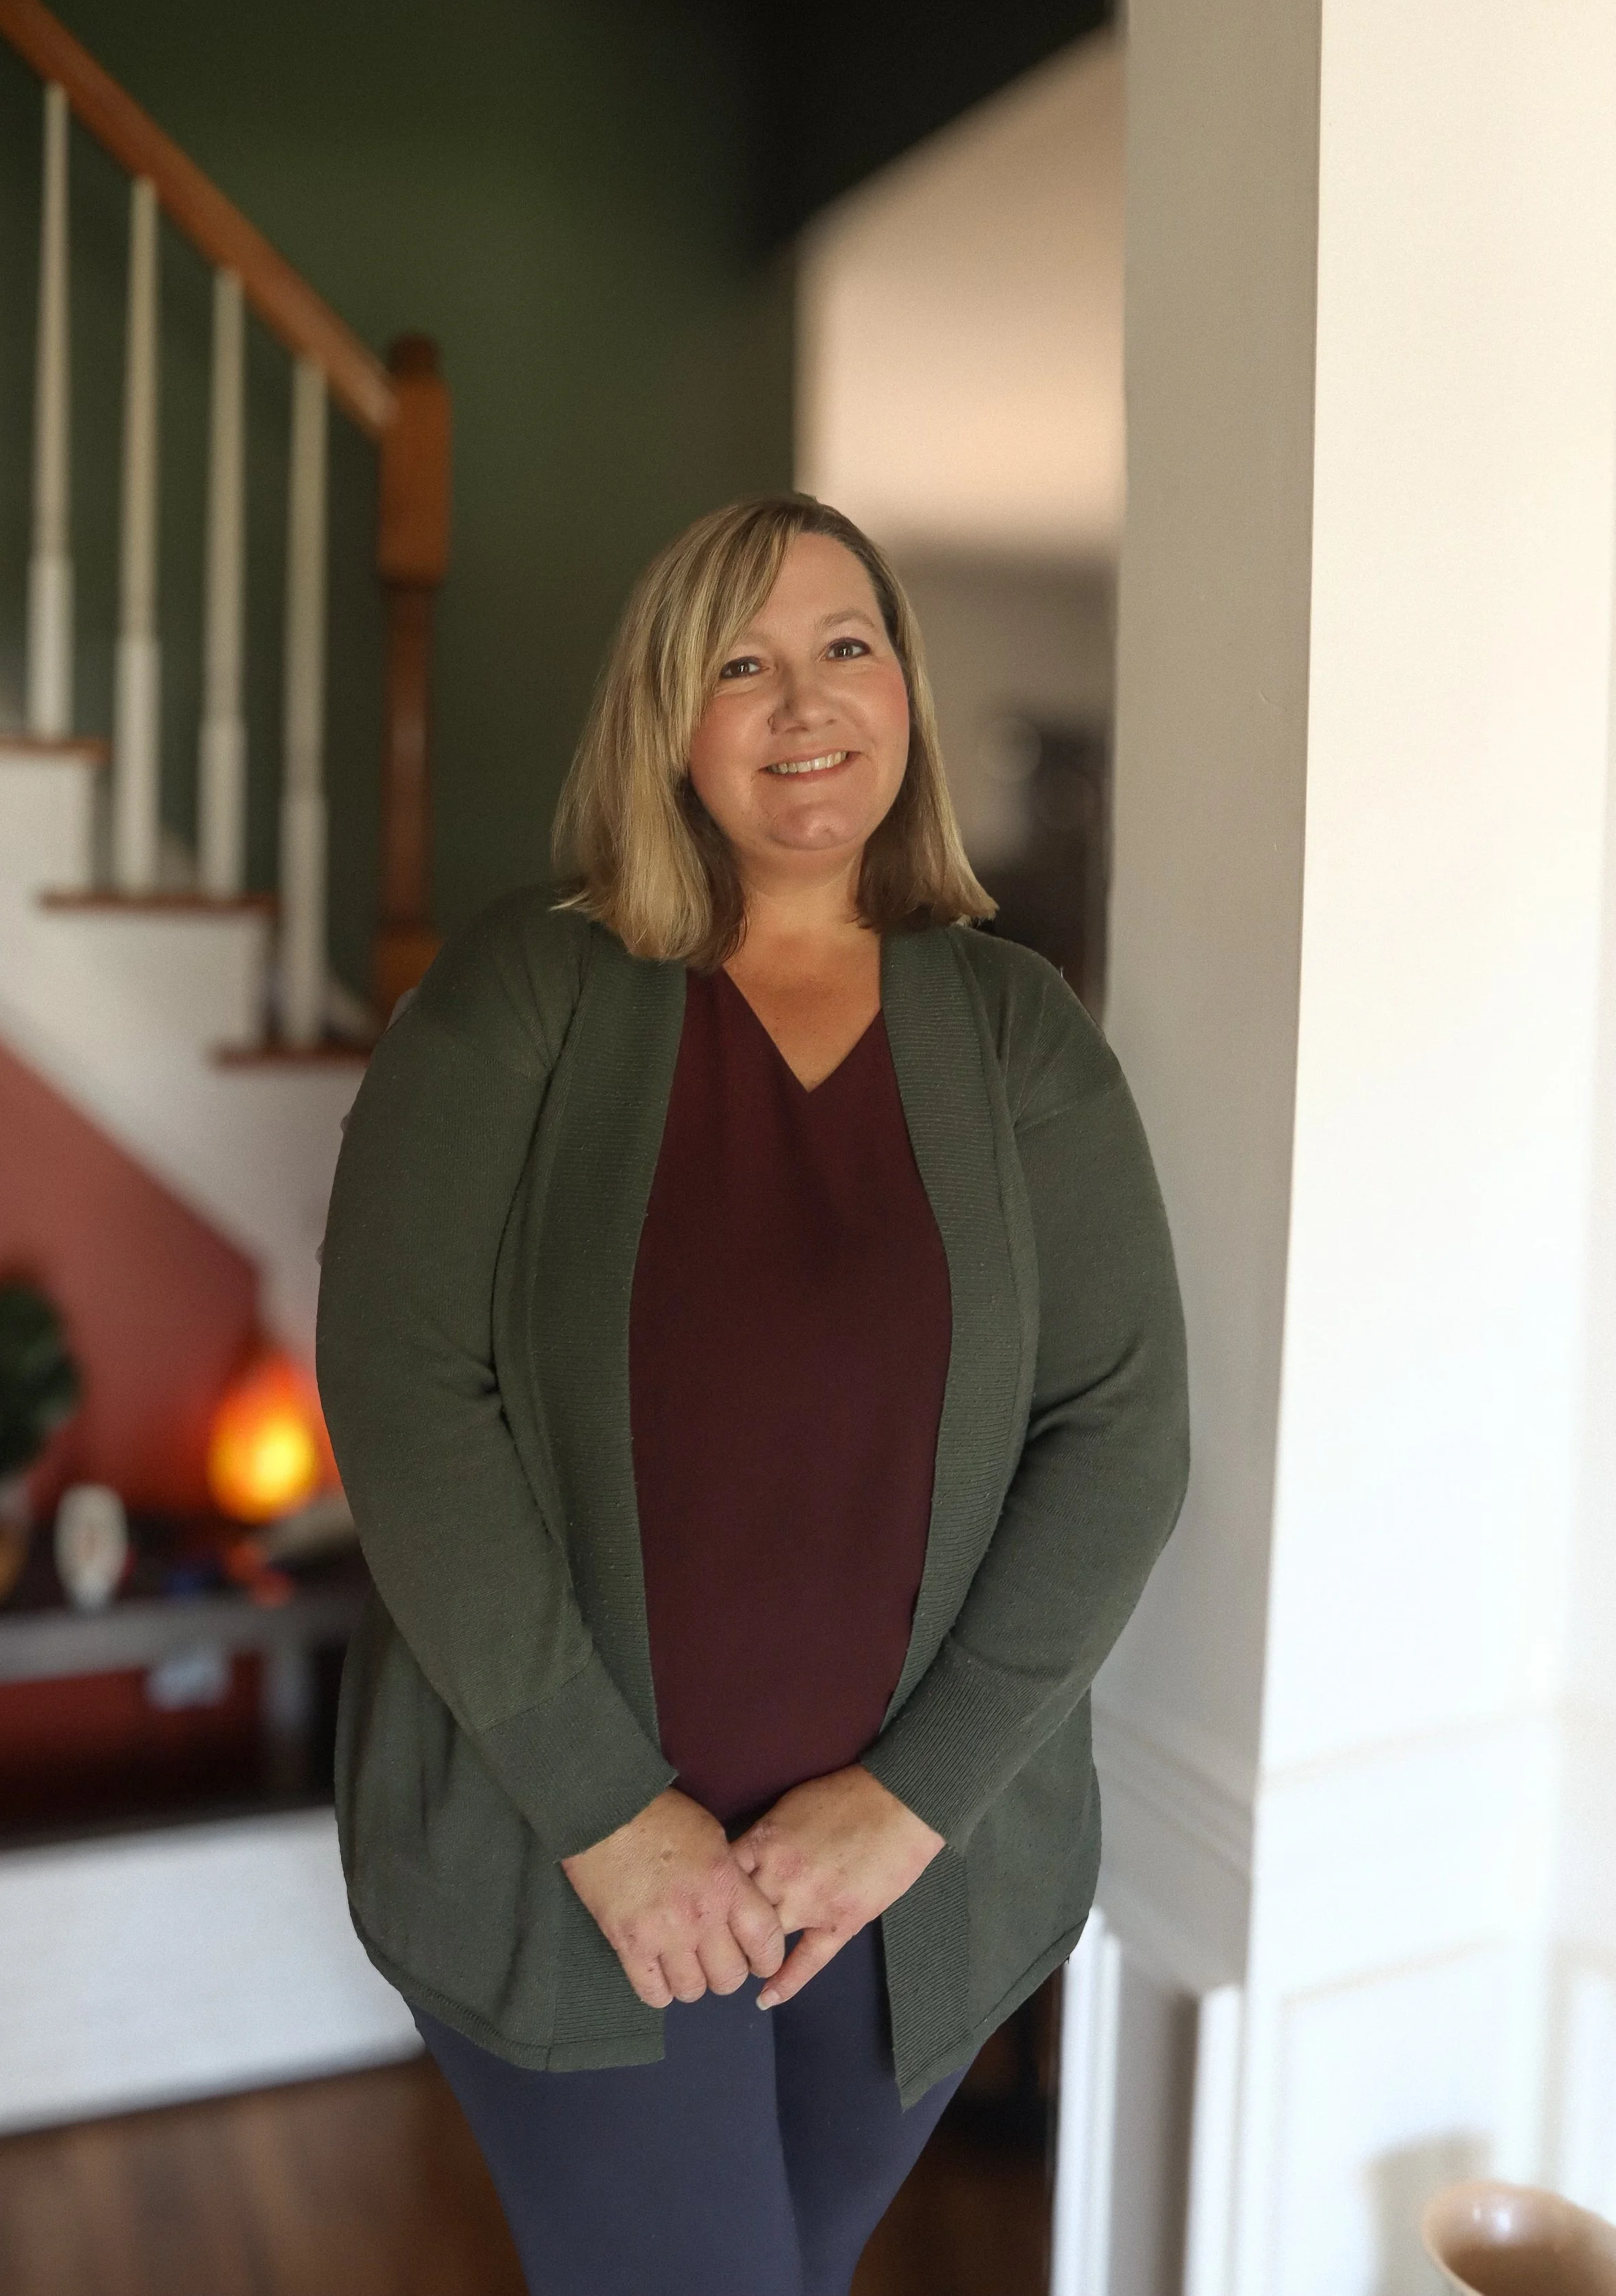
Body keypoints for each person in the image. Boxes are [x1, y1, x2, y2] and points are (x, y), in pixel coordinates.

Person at [316, 493, 1188, 2296]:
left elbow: (1117, 1444)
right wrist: (608, 1820)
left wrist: (910, 1799)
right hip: (579, 1876)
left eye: (846, 646)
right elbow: (405, 1404)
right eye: (742, 660)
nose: (805, 703)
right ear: (667, 716)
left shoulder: (1021, 1034)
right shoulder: (518, 1000)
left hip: (909, 1888)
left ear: (905, 693)